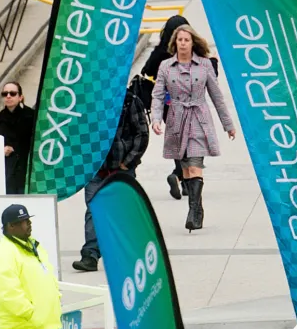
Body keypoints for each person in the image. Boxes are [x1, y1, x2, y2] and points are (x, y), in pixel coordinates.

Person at [150, 25, 236, 232]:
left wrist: (228, 125)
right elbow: (158, 94)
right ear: (175, 43)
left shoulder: (205, 65)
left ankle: (193, 213)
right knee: (187, 168)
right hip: (177, 121)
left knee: (196, 166)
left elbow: (217, 97)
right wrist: (155, 119)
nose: (183, 43)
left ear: (193, 42)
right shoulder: (165, 66)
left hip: (199, 119)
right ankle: (196, 208)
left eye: (186, 40)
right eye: (179, 40)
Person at [72, 83, 148, 272]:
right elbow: (78, 134)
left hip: (122, 168)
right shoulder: (89, 103)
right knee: (93, 210)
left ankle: (127, 253)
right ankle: (90, 254)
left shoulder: (130, 101)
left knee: (122, 211)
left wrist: (127, 162)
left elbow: (142, 134)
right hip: (95, 168)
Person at [141, 15, 190, 200]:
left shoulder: (160, 53)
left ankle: (183, 180)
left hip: (167, 104)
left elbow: (146, 70)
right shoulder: (189, 51)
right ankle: (180, 176)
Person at [0, 82, 37, 194]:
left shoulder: (31, 115)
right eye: (5, 94)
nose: (8, 96)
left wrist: (15, 148)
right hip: (8, 168)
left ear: (20, 97)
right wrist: (2, 149)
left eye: (12, 93)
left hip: (26, 166)